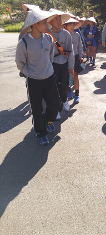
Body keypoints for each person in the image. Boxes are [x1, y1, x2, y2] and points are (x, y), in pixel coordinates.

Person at [15, 9, 60, 145]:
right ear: (35, 24)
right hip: (34, 81)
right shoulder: (24, 43)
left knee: (55, 105)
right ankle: (41, 133)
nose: (47, 25)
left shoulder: (49, 38)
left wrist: (47, 69)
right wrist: (30, 73)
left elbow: (50, 56)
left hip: (50, 77)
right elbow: (20, 62)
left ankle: (47, 121)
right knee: (36, 108)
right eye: (44, 22)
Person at [47, 9, 73, 119]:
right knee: (54, 88)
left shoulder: (66, 34)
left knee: (64, 86)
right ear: (50, 21)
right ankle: (56, 109)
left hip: (64, 63)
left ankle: (64, 99)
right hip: (52, 64)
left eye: (60, 19)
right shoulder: (47, 35)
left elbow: (71, 51)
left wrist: (71, 66)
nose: (58, 21)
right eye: (55, 19)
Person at [63, 17, 84, 103]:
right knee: (67, 76)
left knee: (75, 75)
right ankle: (68, 91)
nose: (72, 27)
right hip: (65, 58)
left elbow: (80, 46)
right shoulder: (63, 35)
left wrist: (81, 56)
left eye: (73, 25)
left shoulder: (77, 35)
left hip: (75, 57)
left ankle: (77, 94)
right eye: (70, 25)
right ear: (65, 26)